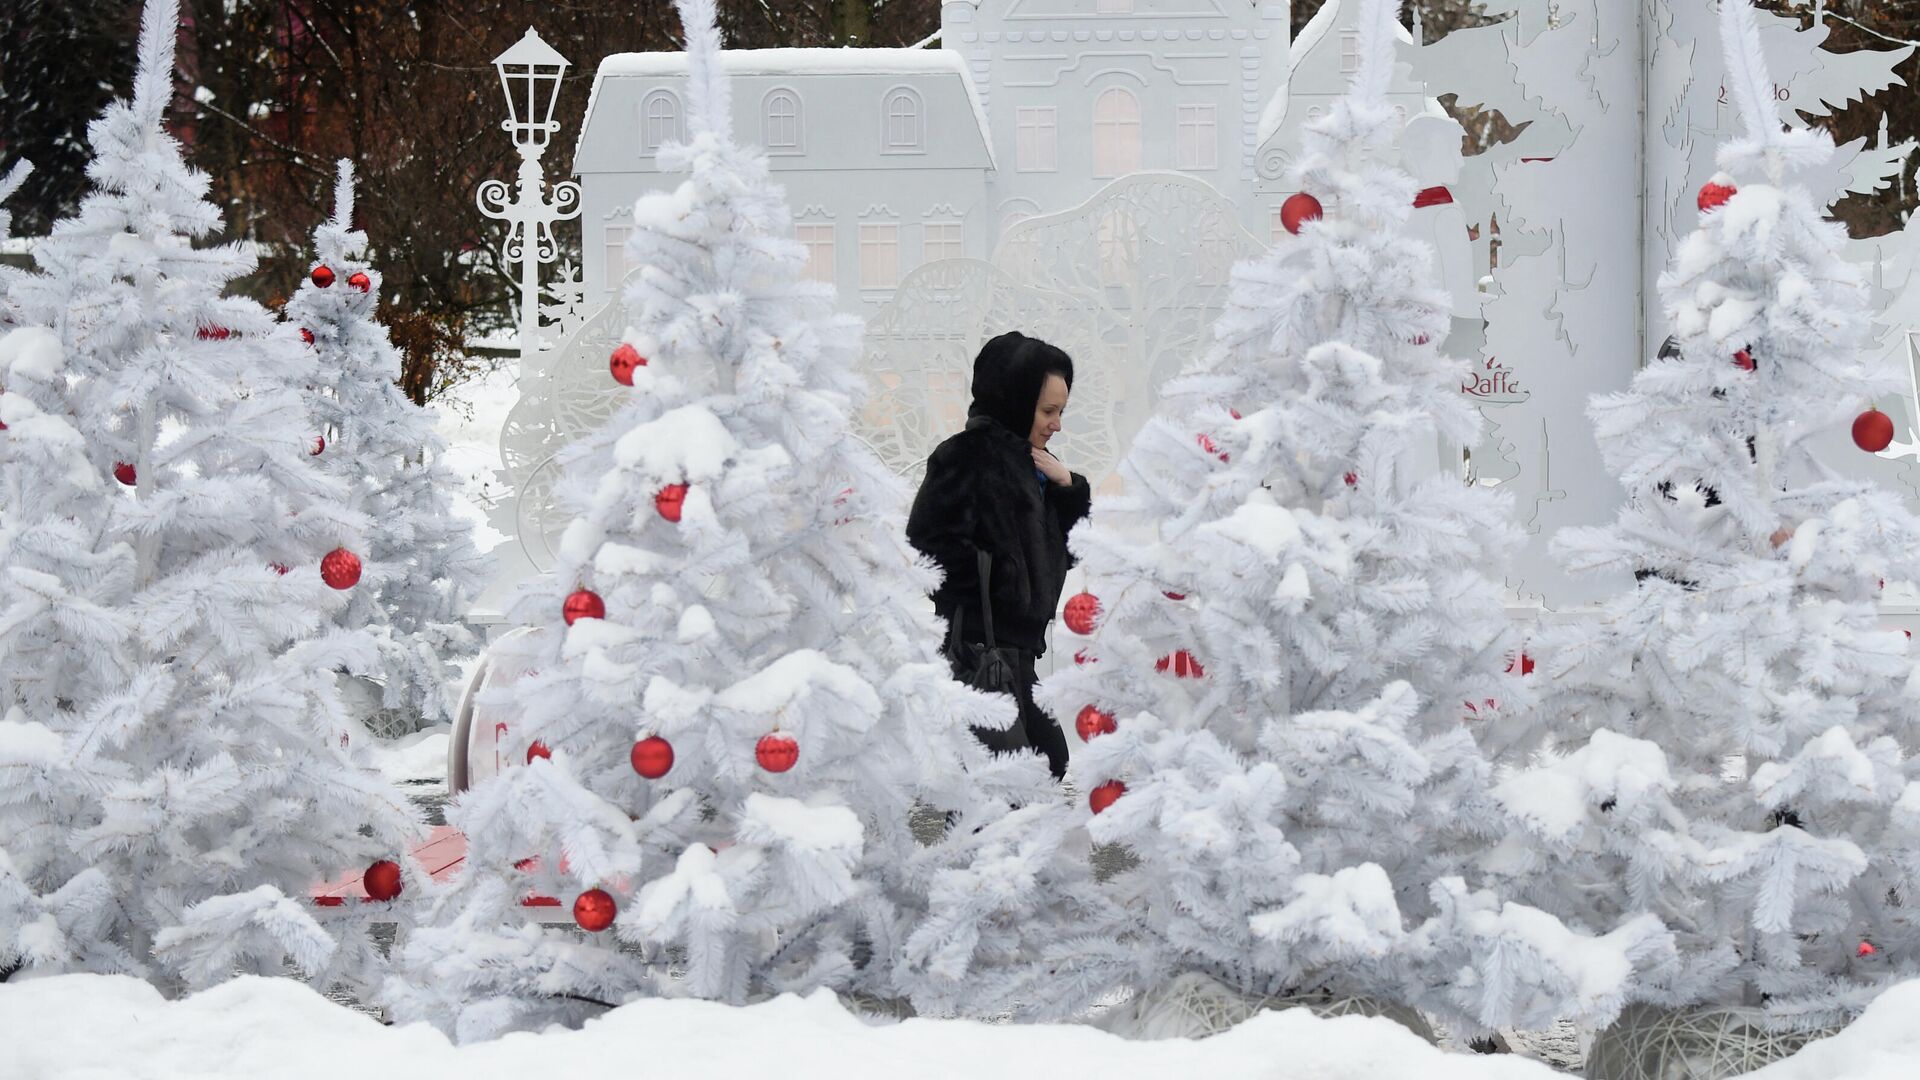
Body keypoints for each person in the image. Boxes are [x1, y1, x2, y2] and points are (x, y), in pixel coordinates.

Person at [907, 331, 1090, 780]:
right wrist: (1004, 579)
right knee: (1008, 781)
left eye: (1061, 411)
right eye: (1048, 410)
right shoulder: (965, 458)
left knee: (1036, 769)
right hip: (977, 654)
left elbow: (1071, 552)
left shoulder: (1037, 467)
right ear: (1013, 400)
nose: (1057, 424)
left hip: (1017, 655)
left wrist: (1070, 491)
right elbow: (927, 542)